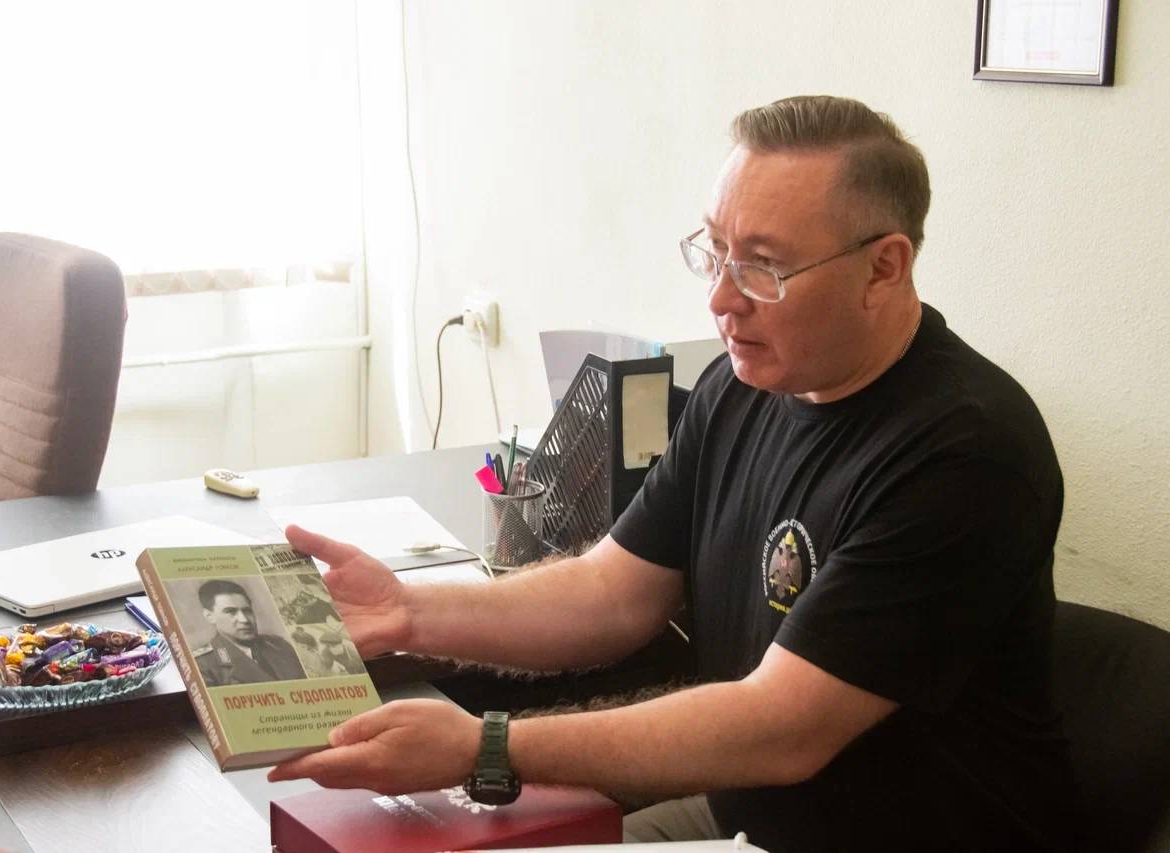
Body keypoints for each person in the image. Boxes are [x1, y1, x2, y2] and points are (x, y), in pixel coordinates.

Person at [266, 96, 1075, 851]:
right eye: (716, 251)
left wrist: (489, 744)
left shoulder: (965, 454)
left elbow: (781, 727)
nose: (721, 298)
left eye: (764, 266)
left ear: (884, 268)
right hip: (750, 812)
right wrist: (408, 612)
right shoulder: (744, 384)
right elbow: (611, 592)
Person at [193, 579, 306, 686]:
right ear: (210, 616)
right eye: (231, 612)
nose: (244, 620)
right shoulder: (203, 665)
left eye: (247, 611)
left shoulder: (279, 646)